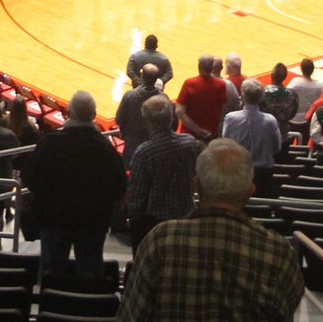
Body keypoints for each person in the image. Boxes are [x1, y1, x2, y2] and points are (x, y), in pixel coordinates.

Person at [119, 138, 306, 322]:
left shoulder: (160, 240)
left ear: (197, 185)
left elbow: (132, 315)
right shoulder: (278, 253)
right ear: (250, 191)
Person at [21, 90, 124, 279]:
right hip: (92, 223)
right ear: (93, 116)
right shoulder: (106, 148)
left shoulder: (49, 143)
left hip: (53, 219)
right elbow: (119, 188)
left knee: (51, 273)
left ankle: (49, 306)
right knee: (90, 274)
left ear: (68, 113)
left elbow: (29, 178)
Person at [124, 96, 198, 247]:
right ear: (172, 118)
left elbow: (136, 194)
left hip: (154, 223)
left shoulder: (144, 152)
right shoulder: (189, 143)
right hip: (185, 218)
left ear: (147, 121)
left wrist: (133, 220)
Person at [220, 79, 282, 197]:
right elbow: (277, 148)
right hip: (264, 174)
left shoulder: (230, 118)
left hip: (238, 171)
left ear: (242, 95)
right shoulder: (270, 120)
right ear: (261, 97)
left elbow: (226, 143)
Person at [115, 63, 166, 158]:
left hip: (132, 144)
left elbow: (118, 120)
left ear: (142, 77)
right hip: (155, 144)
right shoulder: (164, 98)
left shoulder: (129, 95)